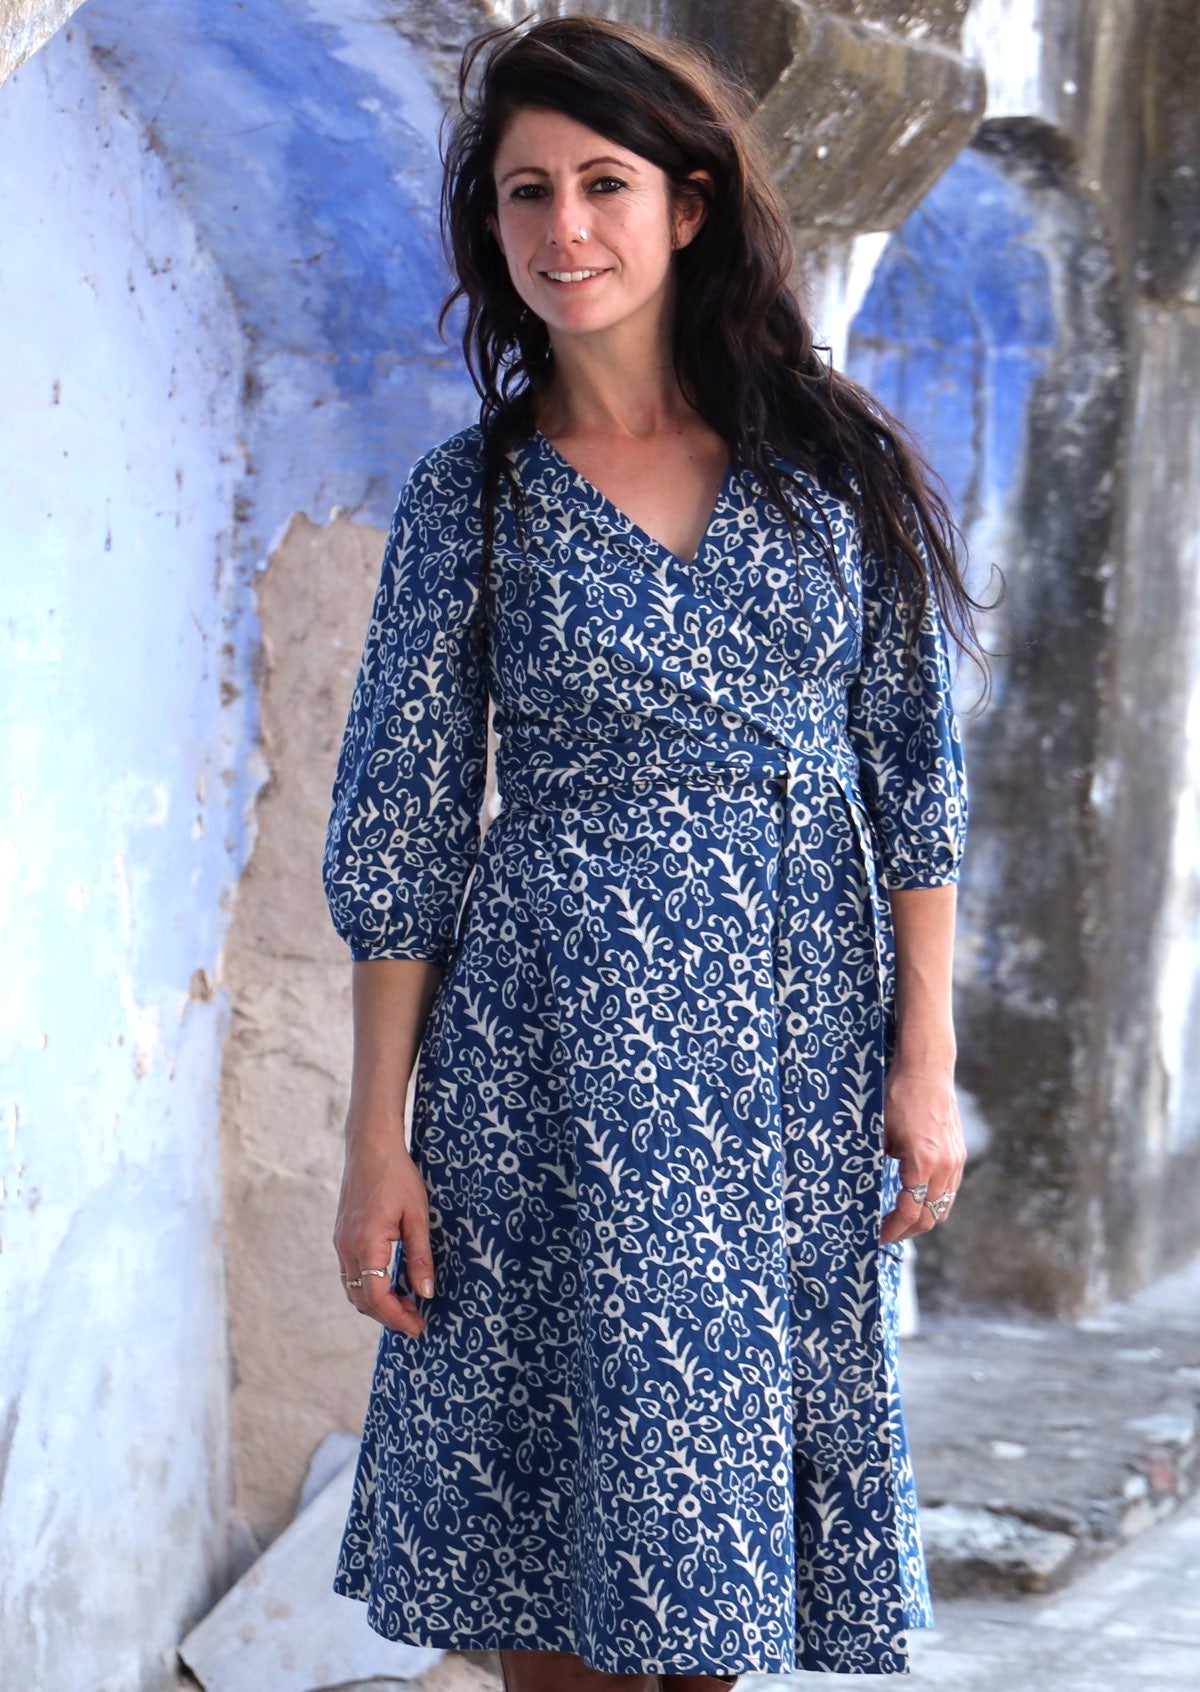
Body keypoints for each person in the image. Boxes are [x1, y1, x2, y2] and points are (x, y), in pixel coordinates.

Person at [323, 14, 986, 1690]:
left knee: (718, 1569)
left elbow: (916, 776)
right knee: (551, 1563)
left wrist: (925, 1056)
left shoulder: (830, 463)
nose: (565, 228)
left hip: (785, 1048)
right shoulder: (472, 500)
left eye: (603, 184)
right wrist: (374, 1141)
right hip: (545, 1061)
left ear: (687, 206)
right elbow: (402, 831)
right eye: (526, 191)